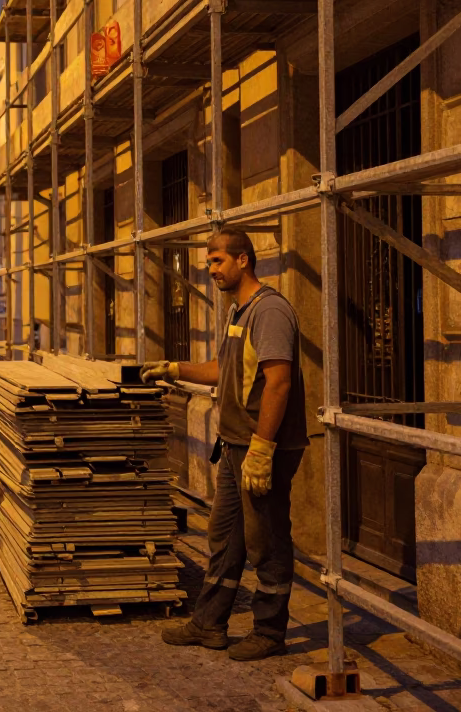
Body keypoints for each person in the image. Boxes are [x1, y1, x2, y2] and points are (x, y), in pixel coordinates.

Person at [143, 229, 307, 662]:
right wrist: (175, 368)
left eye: (217, 261)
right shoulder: (239, 311)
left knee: (266, 540)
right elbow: (223, 369)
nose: (210, 269)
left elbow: (279, 381)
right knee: (225, 537)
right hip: (235, 445)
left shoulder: (269, 311)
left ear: (243, 260)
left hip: (261, 448)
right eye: (209, 262)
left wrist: (262, 448)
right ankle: (209, 624)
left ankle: (270, 632)